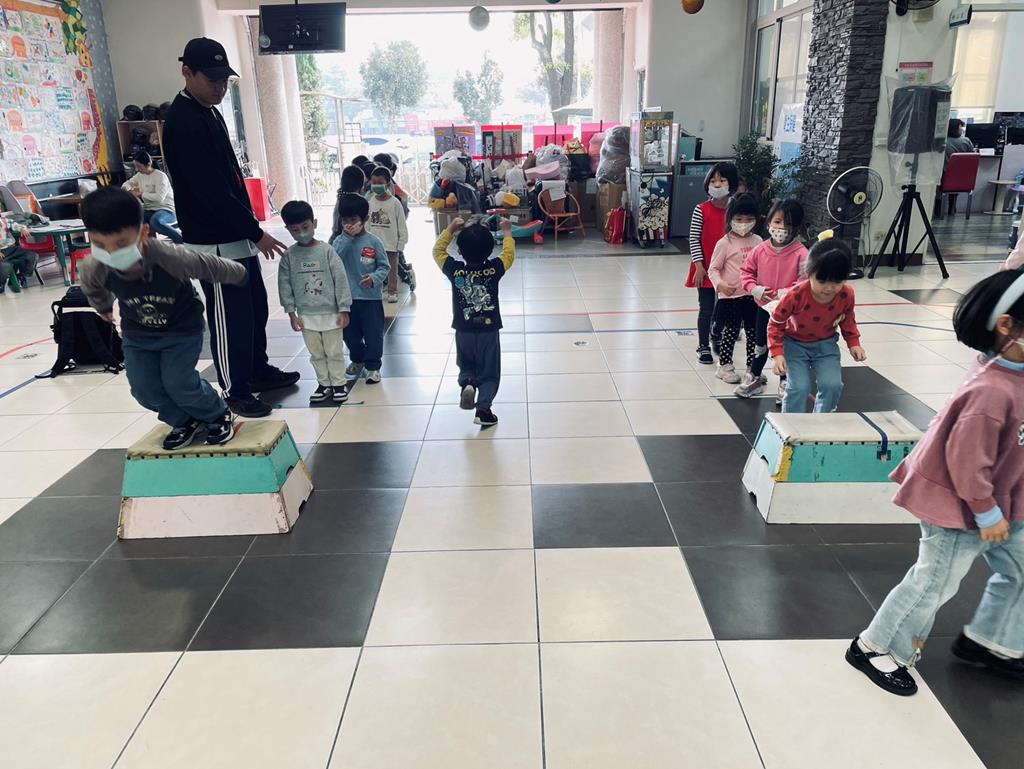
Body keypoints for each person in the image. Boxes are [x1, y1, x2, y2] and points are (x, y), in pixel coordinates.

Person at [847, 269, 1024, 697]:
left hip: (1006, 502)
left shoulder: (1015, 370)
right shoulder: (990, 392)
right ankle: (874, 647)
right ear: (1006, 326)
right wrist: (987, 513)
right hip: (960, 508)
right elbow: (967, 463)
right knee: (934, 583)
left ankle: (992, 640)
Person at [162, 37, 296, 419]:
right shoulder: (183, 121)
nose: (220, 88)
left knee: (254, 308)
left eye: (224, 80)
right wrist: (256, 232)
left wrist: (249, 228)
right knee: (228, 318)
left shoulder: (209, 111)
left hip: (235, 235)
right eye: (213, 80)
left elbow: (229, 179)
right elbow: (211, 192)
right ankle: (234, 390)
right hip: (213, 243)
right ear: (187, 72)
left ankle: (257, 370)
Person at [78, 187, 245, 450]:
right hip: (137, 333)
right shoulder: (95, 266)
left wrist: (239, 273)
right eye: (100, 245)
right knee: (144, 389)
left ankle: (216, 413)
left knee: (179, 383)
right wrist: (103, 308)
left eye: (121, 244)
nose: (111, 253)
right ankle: (184, 420)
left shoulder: (169, 257)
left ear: (144, 232)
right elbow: (92, 288)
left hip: (182, 329)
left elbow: (206, 265)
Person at [768, 232, 866, 413]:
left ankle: (822, 422)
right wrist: (777, 354)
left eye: (837, 281)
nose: (829, 288)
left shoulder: (846, 295)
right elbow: (775, 323)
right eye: (822, 281)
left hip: (825, 345)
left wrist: (854, 343)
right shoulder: (795, 295)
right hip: (795, 345)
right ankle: (791, 424)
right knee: (799, 387)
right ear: (809, 272)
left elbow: (848, 319)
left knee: (832, 385)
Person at [434, 217, 515, 427]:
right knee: (490, 372)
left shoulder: (456, 271)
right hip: (489, 330)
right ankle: (483, 409)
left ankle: (468, 382)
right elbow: (509, 254)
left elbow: (438, 251)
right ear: (490, 250)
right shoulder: (494, 269)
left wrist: (451, 228)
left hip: (463, 330)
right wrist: (507, 232)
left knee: (466, 364)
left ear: (460, 251)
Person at [278, 200, 352, 405]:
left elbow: (340, 279)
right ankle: (324, 384)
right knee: (316, 353)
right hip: (306, 315)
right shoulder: (289, 256)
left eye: (305, 227)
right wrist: (291, 313)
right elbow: (284, 285)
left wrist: (344, 308)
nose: (301, 233)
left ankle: (339, 384)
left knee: (334, 351)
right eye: (295, 230)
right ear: (288, 230)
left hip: (331, 313)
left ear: (314, 223)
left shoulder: (327, 251)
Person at [736, 199, 809, 402]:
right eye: (777, 222)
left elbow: (805, 281)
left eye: (788, 224)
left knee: (785, 346)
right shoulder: (760, 250)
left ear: (796, 228)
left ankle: (786, 381)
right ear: (768, 223)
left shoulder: (801, 253)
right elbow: (746, 272)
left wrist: (788, 293)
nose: (781, 228)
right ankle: (755, 376)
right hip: (763, 307)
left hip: (789, 313)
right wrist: (754, 289)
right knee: (760, 343)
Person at [333, 193, 390, 384]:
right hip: (346, 299)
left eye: (353, 220)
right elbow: (334, 260)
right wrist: (346, 237)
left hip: (370, 298)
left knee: (373, 334)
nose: (349, 224)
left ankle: (373, 366)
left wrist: (374, 278)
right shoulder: (339, 241)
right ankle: (358, 359)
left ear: (364, 219)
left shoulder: (374, 242)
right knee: (350, 335)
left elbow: (384, 266)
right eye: (345, 221)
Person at [686, 162, 737, 365]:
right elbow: (694, 238)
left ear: (731, 183)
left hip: (730, 269)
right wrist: (699, 266)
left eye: (722, 180)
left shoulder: (736, 210)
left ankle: (717, 335)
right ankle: (703, 345)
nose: (717, 184)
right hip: (705, 268)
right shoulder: (701, 210)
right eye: (713, 180)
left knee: (725, 307)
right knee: (706, 307)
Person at [707, 193, 761, 385]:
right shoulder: (725, 243)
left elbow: (762, 266)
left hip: (751, 296)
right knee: (731, 331)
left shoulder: (758, 241)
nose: (743, 224)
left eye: (748, 219)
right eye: (739, 219)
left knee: (753, 333)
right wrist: (720, 285)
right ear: (730, 219)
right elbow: (713, 269)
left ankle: (752, 368)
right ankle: (724, 365)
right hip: (730, 296)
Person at [367, 166, 408, 304]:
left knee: (392, 270)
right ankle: (375, 290)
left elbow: (401, 225)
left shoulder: (395, 203)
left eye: (380, 183)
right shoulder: (370, 202)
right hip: (373, 244)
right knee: (372, 268)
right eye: (374, 182)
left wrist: (401, 244)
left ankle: (392, 291)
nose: (376, 185)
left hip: (391, 244)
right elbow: (367, 223)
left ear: (388, 183)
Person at [122, 150, 182, 243]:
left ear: (148, 164)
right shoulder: (139, 175)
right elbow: (127, 184)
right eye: (135, 166)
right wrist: (128, 189)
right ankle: (149, 245)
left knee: (155, 221)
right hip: (149, 209)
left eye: (139, 166)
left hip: (167, 209)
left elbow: (159, 198)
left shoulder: (160, 176)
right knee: (134, 219)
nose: (136, 169)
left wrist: (141, 194)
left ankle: (182, 239)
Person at [0, 214, 37, 294]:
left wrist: (23, 228)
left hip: (11, 248)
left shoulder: (4, 220)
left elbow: (16, 225)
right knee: (4, 266)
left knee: (32, 256)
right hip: (1, 252)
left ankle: (21, 276)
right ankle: (1, 284)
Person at [330, 165, 366, 245]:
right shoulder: (353, 202)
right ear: (360, 185)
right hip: (345, 240)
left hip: (337, 238)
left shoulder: (341, 197)